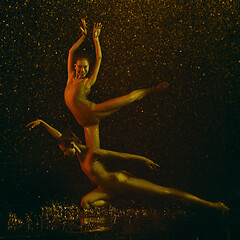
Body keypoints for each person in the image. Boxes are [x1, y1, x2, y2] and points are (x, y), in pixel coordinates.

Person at [27, 119, 229, 211]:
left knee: (165, 192)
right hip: (107, 189)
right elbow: (60, 137)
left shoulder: (92, 152)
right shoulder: (76, 153)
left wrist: (144, 160)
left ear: (72, 145)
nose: (63, 154)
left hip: (122, 181)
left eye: (64, 151)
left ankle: (211, 205)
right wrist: (43, 123)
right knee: (86, 203)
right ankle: (117, 207)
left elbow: (122, 156)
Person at [64, 19, 169, 149]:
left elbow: (99, 59)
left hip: (93, 112)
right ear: (75, 66)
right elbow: (71, 52)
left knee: (129, 98)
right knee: (94, 159)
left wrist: (96, 39)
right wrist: (83, 37)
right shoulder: (70, 77)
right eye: (80, 67)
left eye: (85, 67)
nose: (82, 70)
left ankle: (154, 89)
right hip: (87, 124)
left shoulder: (87, 81)